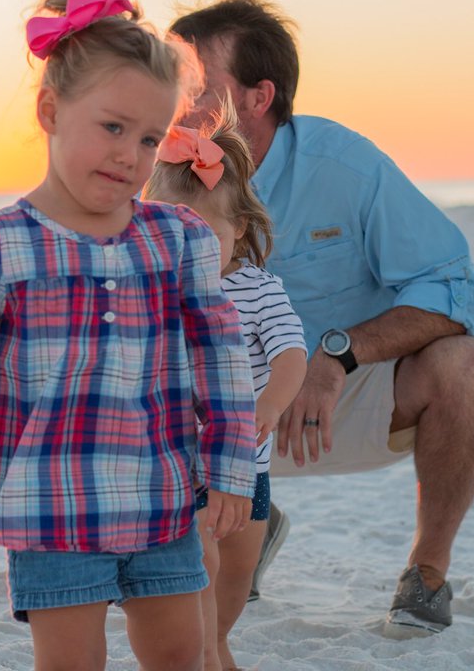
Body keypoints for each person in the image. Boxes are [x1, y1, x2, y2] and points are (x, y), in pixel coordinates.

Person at [0, 0, 257, 671]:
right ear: (50, 111)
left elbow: (223, 356)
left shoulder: (176, 236)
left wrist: (231, 468)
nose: (130, 155)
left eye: (151, 138)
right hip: (49, 505)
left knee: (183, 653)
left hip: (163, 493)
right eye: (113, 127)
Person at [170, 0, 474, 637]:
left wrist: (337, 353)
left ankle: (427, 575)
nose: (178, 103)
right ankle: (243, 524)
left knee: (470, 371)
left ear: (257, 98)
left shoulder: (346, 167)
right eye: (173, 82)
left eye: (198, 87)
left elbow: (462, 290)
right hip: (205, 420)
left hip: (338, 400)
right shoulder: (152, 165)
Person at [144, 98, 307, 671]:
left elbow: (290, 353)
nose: (185, 248)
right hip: (180, 465)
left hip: (248, 462)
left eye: (203, 234)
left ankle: (219, 638)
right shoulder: (150, 293)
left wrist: (270, 405)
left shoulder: (258, 289)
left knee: (240, 564)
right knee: (201, 563)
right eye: (169, 232)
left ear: (238, 232)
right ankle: (203, 650)